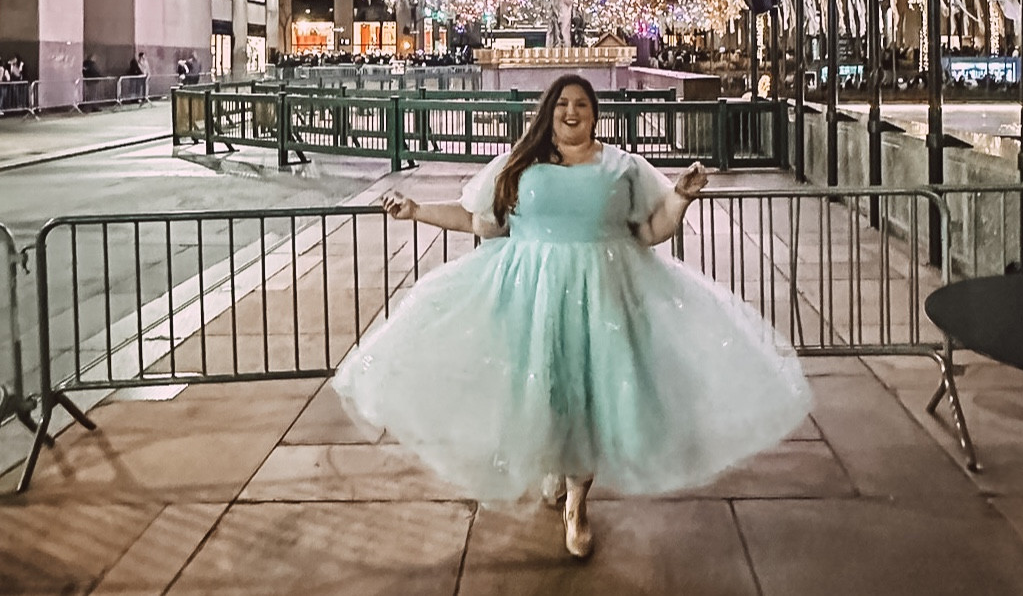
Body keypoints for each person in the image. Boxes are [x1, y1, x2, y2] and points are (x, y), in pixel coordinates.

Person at [332, 73, 811, 560]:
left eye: (581, 104)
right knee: (543, 385)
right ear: (548, 111)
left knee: (587, 392)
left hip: (601, 297)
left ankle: (577, 502)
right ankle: (553, 463)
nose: (571, 112)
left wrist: (681, 197)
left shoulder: (621, 166)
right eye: (562, 104)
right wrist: (415, 210)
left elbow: (649, 229)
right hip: (528, 296)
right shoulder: (519, 165)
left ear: (594, 112)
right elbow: (480, 222)